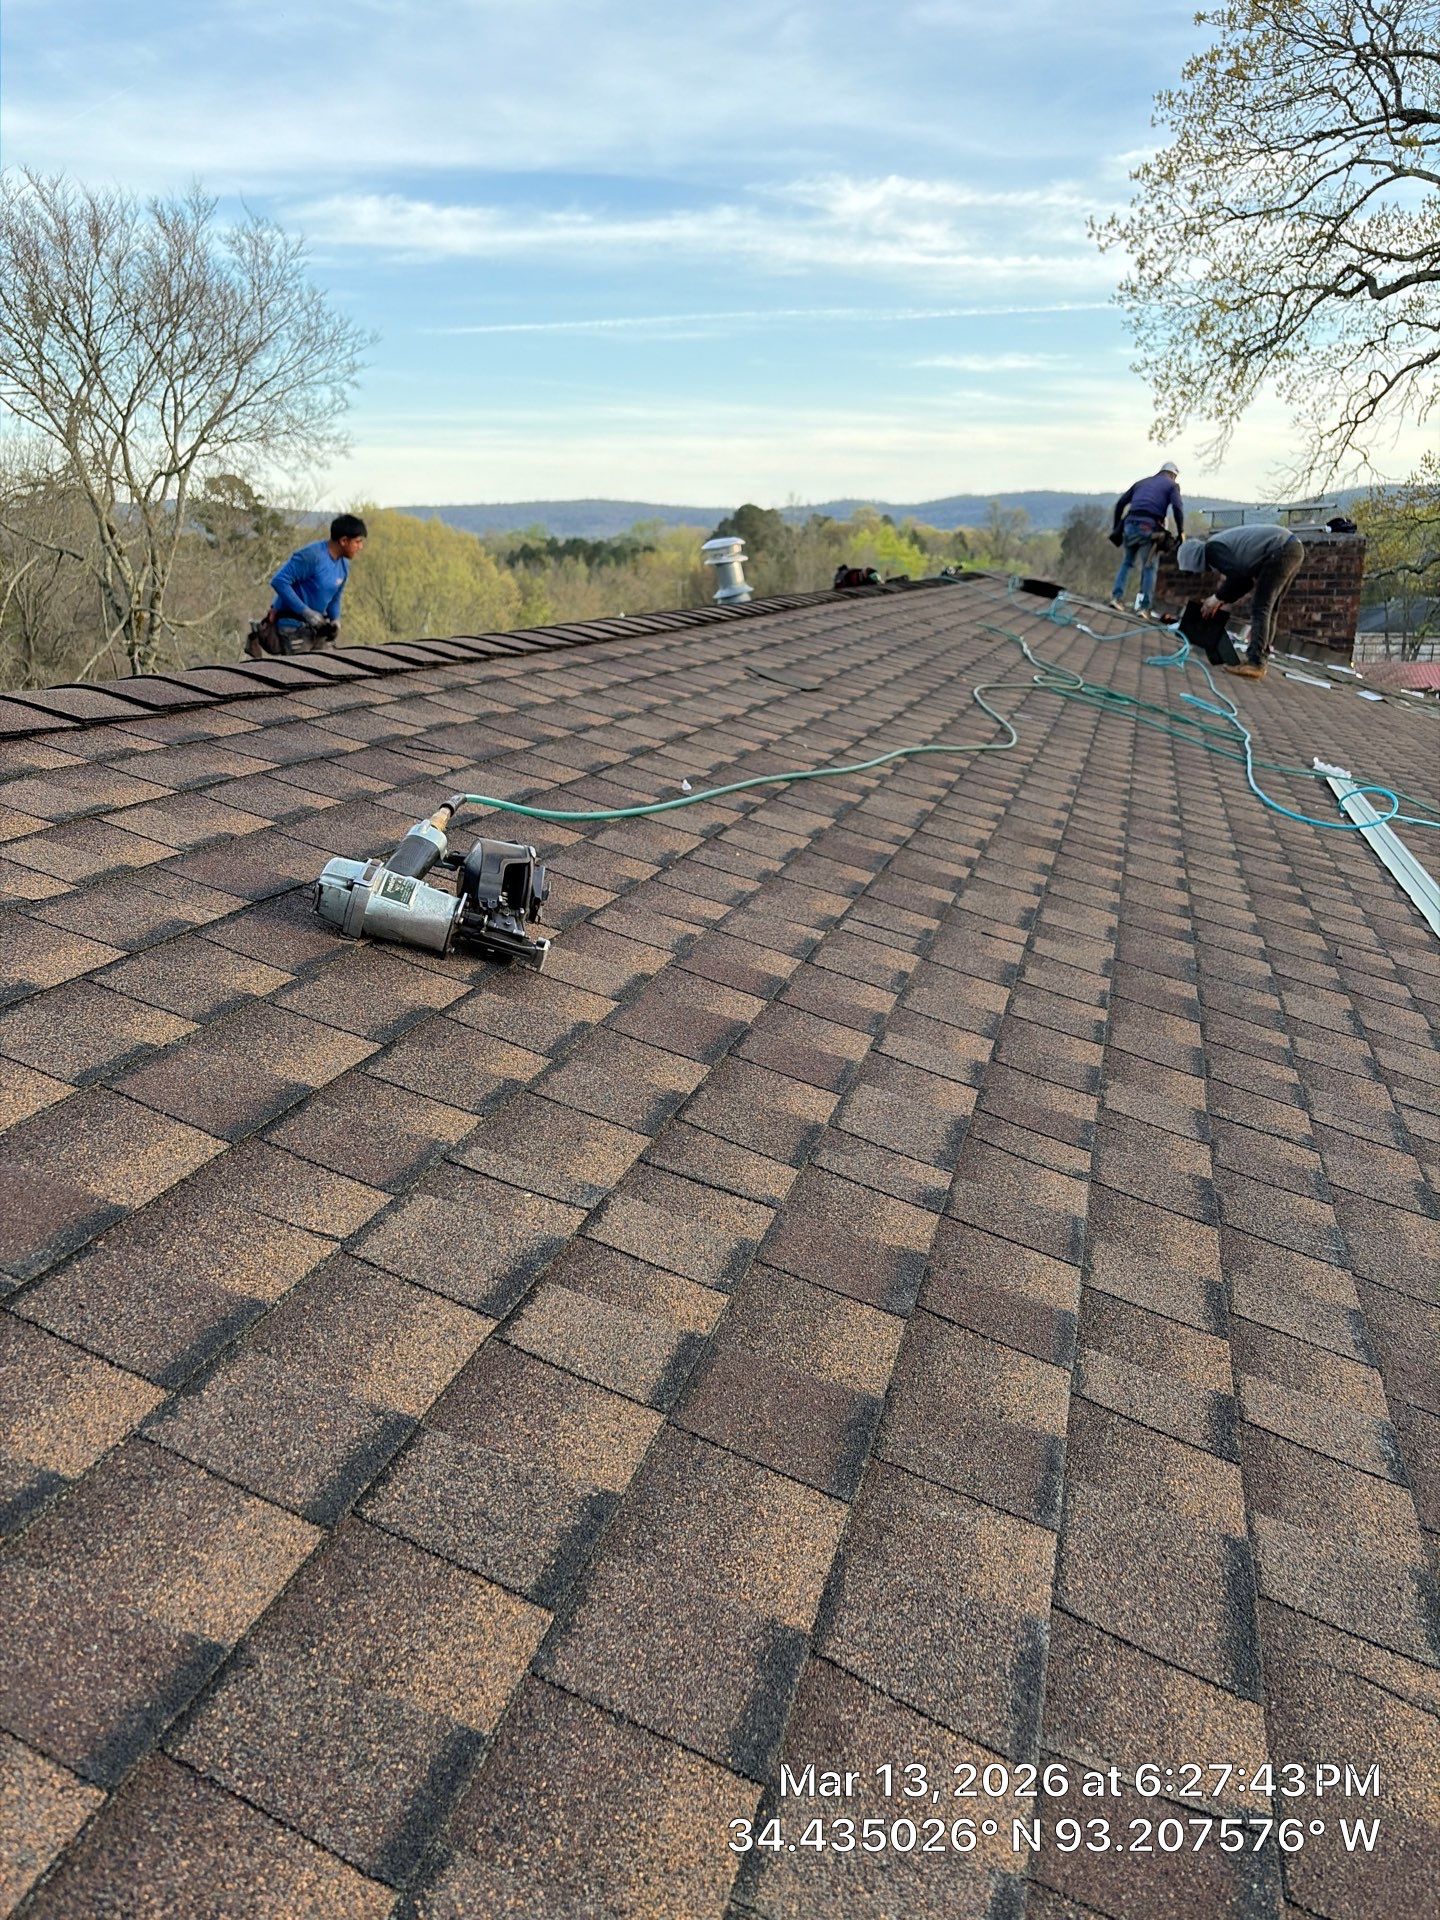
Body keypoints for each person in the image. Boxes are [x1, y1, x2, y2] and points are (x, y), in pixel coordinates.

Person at [1175, 524, 1305, 680]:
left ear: (1192, 558)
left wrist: (1216, 598)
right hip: (1293, 548)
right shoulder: (1218, 545)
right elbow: (1245, 582)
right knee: (1271, 607)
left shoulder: (1212, 549)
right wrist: (1220, 600)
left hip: (1281, 549)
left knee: (1261, 607)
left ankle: (1255, 663)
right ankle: (1259, 659)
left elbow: (1239, 578)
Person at [248, 513, 367, 657]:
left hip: (317, 630)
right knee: (302, 674)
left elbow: (335, 598)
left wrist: (336, 620)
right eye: (358, 542)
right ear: (343, 541)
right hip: (293, 627)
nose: (360, 547)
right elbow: (279, 581)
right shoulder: (312, 556)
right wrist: (305, 611)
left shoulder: (344, 566)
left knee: (330, 669)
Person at [1109, 460, 1184, 616]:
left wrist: (1117, 527)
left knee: (1127, 563)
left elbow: (1120, 503)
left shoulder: (1141, 482)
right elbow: (1177, 507)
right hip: (1148, 529)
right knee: (1149, 567)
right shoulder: (1171, 485)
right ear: (1173, 475)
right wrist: (1181, 531)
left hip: (1129, 526)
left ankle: (1116, 598)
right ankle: (1143, 607)